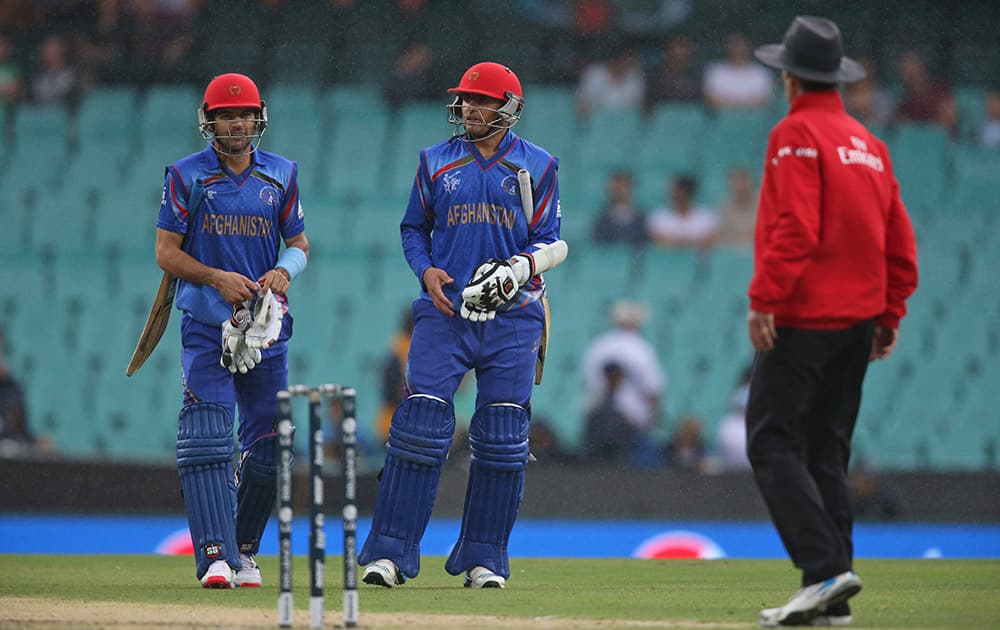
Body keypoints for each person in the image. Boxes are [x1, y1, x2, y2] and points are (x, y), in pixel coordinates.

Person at [357, 61, 567, 590]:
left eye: (480, 101)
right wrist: (425, 270)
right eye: (465, 101)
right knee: (419, 429)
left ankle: (485, 560)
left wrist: (516, 271)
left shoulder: (538, 166)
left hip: (513, 318)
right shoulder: (435, 162)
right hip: (446, 313)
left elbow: (549, 240)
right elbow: (413, 229)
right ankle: (389, 554)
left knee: (501, 438)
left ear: (508, 108)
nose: (469, 109)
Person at [747, 17, 918, 627]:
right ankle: (832, 599)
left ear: (790, 79)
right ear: (836, 79)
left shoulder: (794, 133)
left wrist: (764, 299)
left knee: (770, 439)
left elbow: (796, 228)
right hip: (859, 321)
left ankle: (823, 571)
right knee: (825, 454)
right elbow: (900, 240)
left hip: (806, 315)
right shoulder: (869, 144)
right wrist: (890, 312)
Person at [154, 73, 310, 589]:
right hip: (206, 323)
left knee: (272, 444)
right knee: (207, 440)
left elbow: (300, 244)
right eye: (226, 115)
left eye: (243, 115)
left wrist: (285, 269)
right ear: (210, 121)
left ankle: (243, 551)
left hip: (265, 329)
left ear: (257, 118)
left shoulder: (281, 174)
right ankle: (214, 556)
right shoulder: (186, 176)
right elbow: (166, 253)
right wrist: (215, 277)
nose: (236, 124)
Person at [581, 300, 665, 468]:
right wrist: (654, 417)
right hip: (631, 418)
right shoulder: (641, 348)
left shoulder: (600, 345)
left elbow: (587, 381)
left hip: (599, 415)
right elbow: (653, 389)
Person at [702, 33, 772, 111]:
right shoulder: (715, 70)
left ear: (748, 46)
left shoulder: (761, 72)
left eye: (740, 44)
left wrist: (729, 102)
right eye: (734, 44)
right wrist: (746, 102)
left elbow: (763, 101)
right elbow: (711, 100)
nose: (737, 48)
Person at [647, 174, 719, 249]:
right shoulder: (659, 216)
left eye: (679, 192)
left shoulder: (706, 216)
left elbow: (710, 240)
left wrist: (676, 241)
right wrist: (692, 241)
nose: (675, 195)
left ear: (689, 193)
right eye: (673, 192)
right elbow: (658, 240)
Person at [591, 170, 649, 246]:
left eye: (623, 187)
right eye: (616, 188)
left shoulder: (641, 218)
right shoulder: (602, 219)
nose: (620, 191)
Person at [716, 167, 758, 246]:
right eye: (735, 180)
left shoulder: (766, 204)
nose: (739, 184)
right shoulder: (724, 207)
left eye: (743, 179)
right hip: (734, 252)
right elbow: (720, 236)